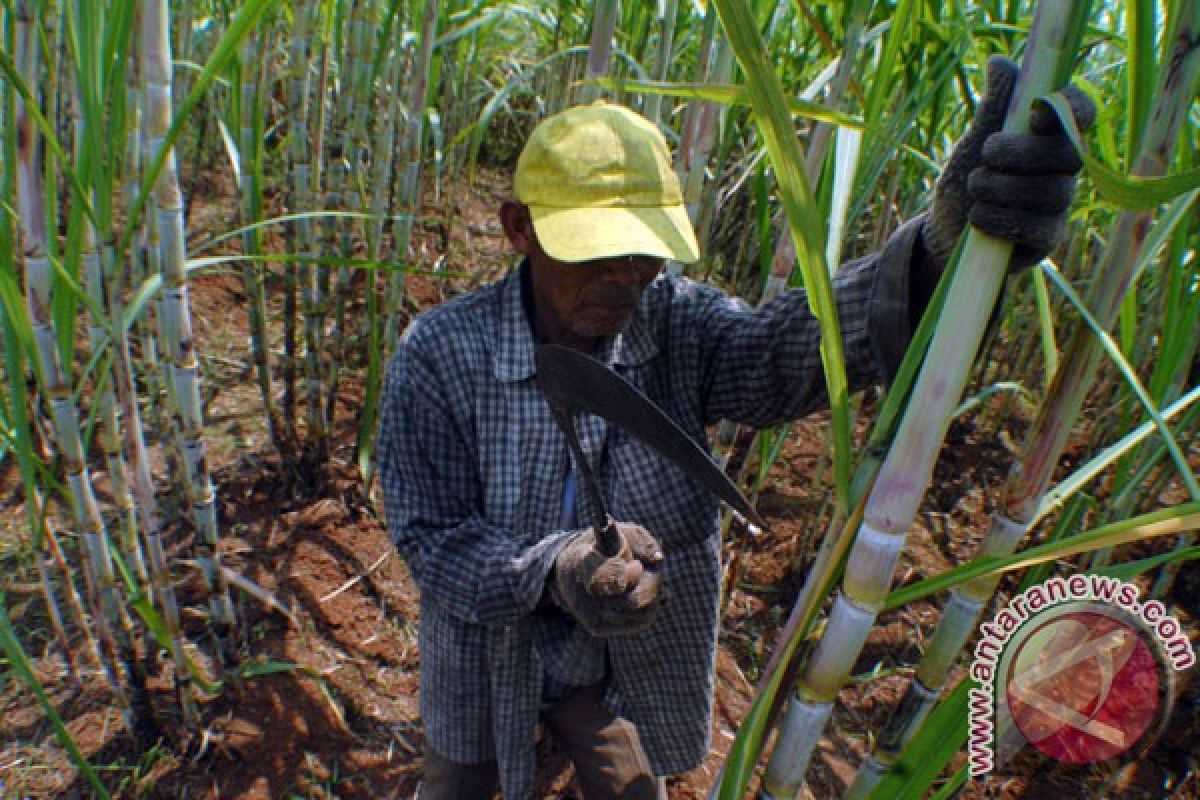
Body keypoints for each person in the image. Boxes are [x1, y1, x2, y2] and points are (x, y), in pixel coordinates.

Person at [377, 56, 1095, 800]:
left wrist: (939, 258)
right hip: (490, 647)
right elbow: (430, 535)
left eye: (644, 251)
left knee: (633, 789)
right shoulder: (441, 354)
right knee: (460, 781)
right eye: (593, 249)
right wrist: (551, 573)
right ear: (518, 229)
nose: (624, 275)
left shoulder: (680, 324)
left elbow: (787, 350)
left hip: (617, 658)